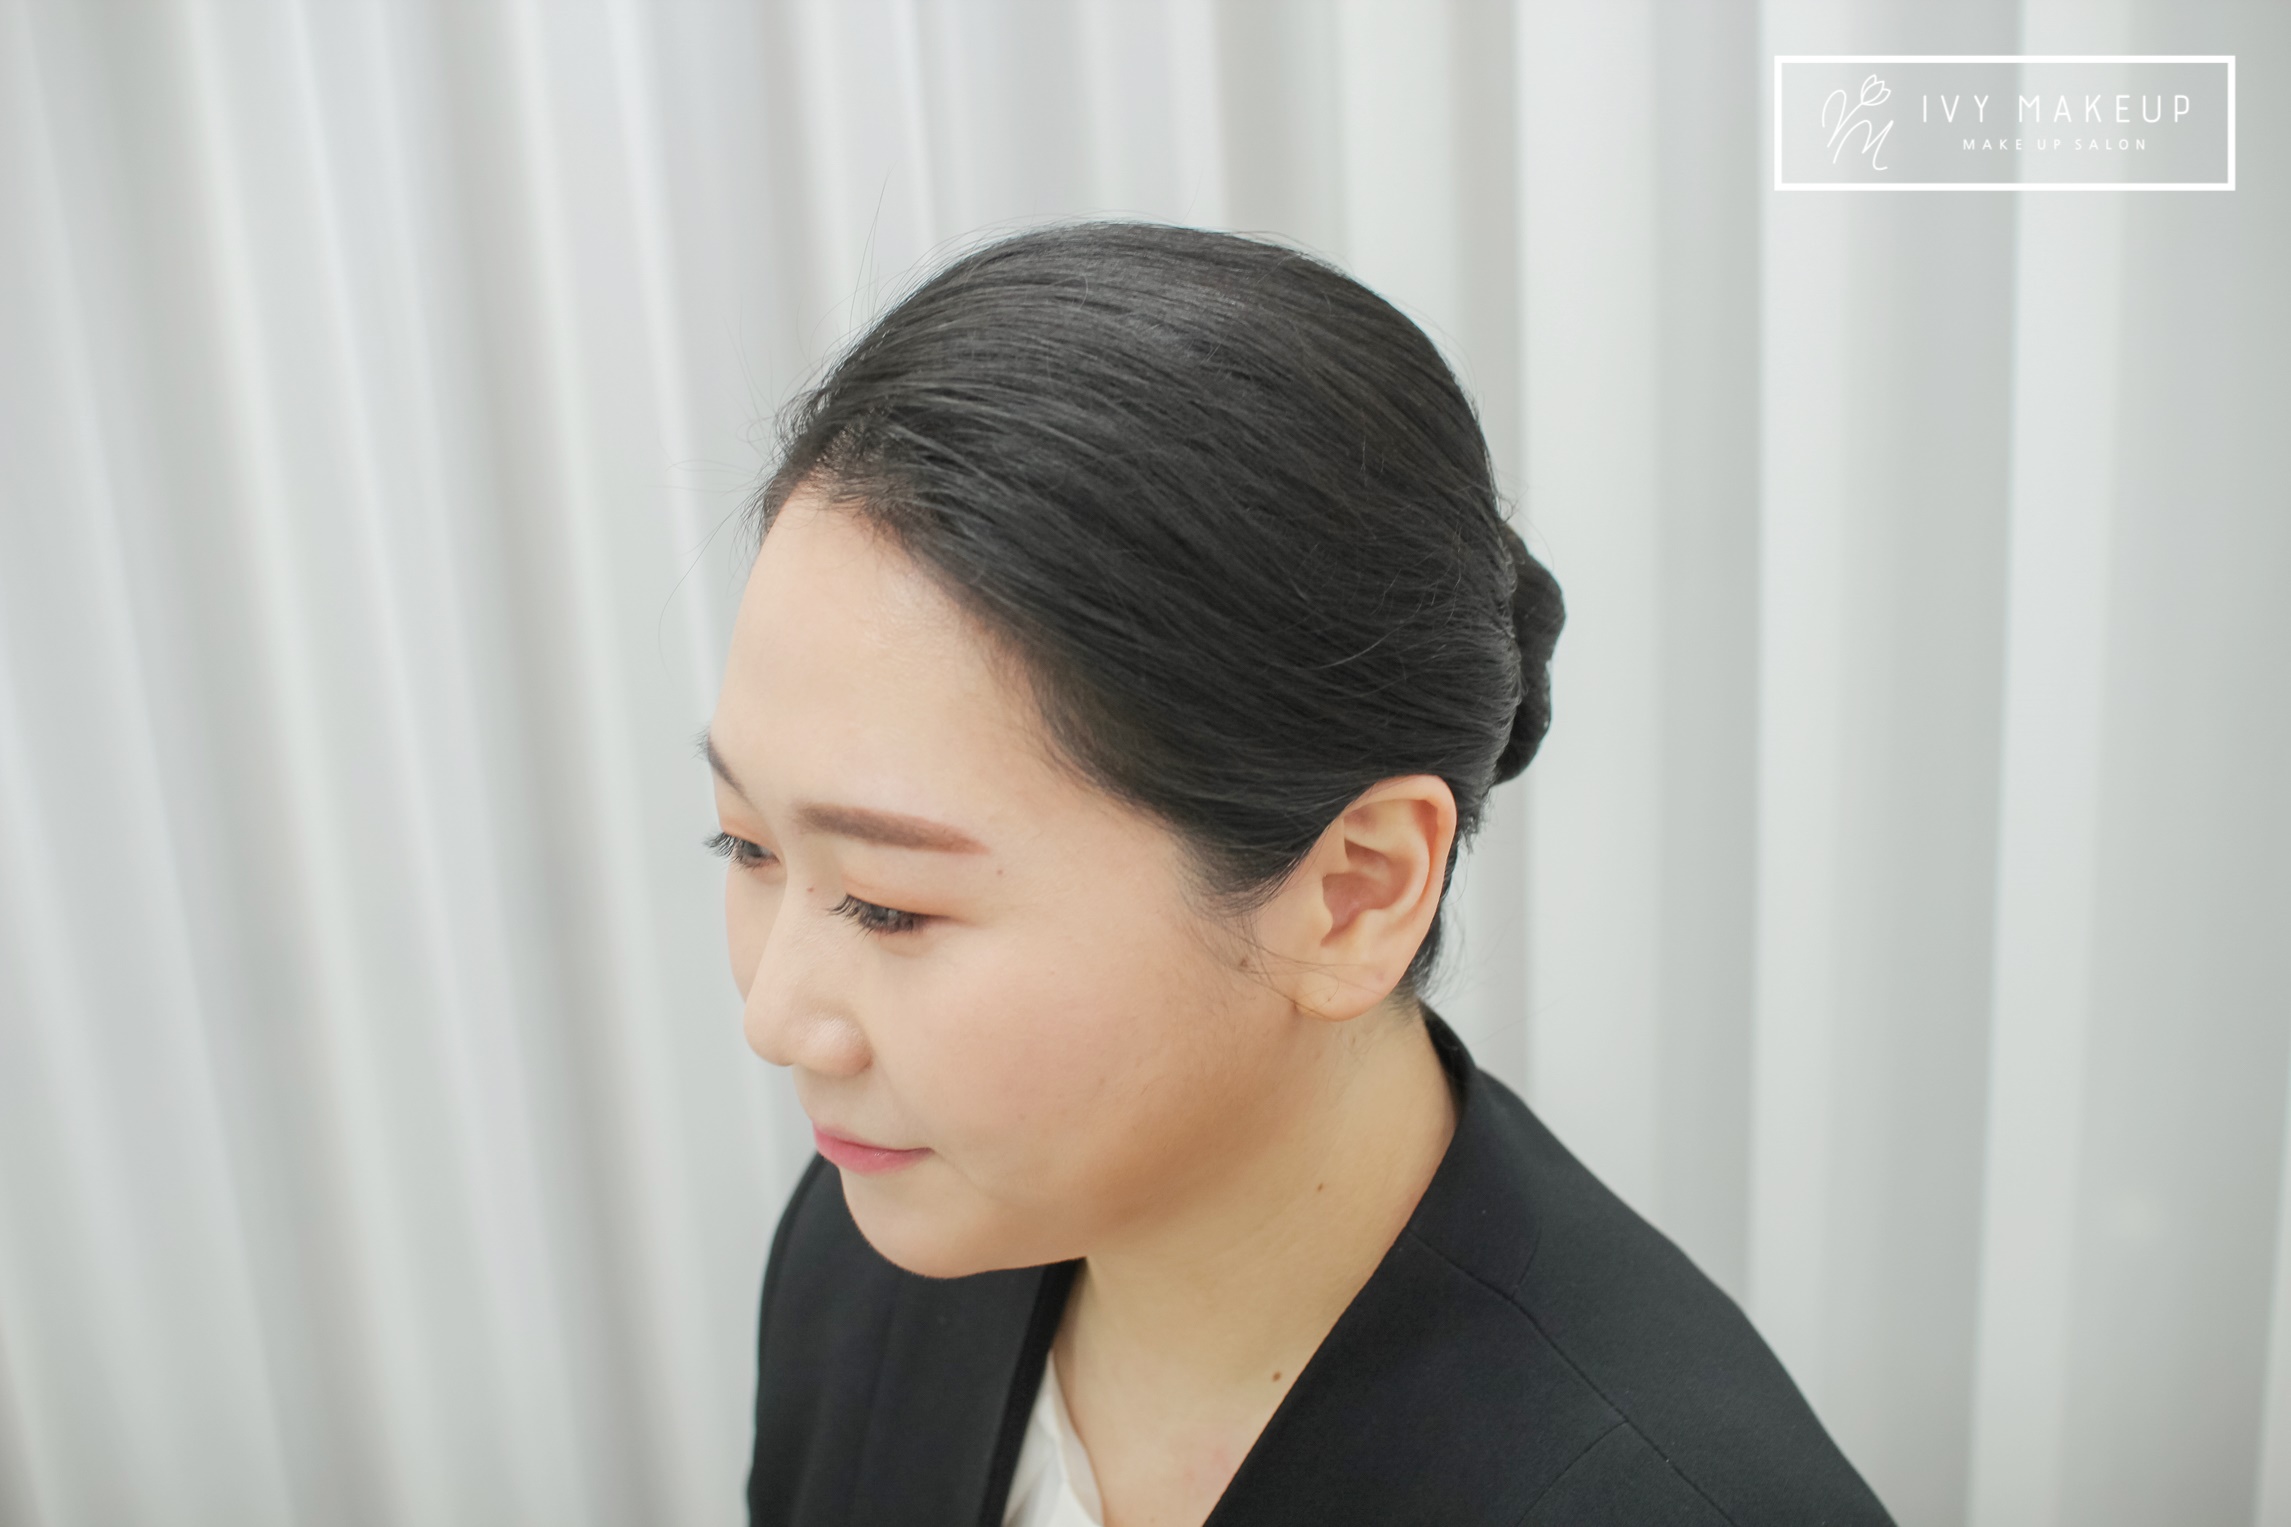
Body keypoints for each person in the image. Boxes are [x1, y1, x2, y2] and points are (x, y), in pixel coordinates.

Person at [708, 222, 1892, 1527]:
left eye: (891, 904)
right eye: (746, 845)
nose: (776, 1018)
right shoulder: (875, 1248)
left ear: (1356, 893)